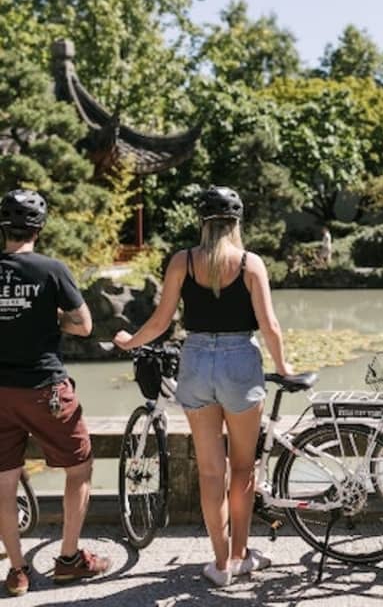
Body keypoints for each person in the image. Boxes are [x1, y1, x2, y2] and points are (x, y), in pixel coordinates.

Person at [113, 186, 293, 587]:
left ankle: (220, 564)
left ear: (202, 222)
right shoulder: (249, 263)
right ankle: (241, 555)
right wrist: (284, 367)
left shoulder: (183, 261)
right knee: (243, 469)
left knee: (212, 473)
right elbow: (270, 326)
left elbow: (160, 322)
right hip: (240, 363)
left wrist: (130, 341)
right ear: (237, 222)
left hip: (195, 362)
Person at [0, 189, 110, 597]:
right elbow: (83, 325)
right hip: (45, 388)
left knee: (3, 483)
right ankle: (68, 559)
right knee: (79, 468)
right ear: (39, 228)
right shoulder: (51, 269)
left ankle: (17, 571)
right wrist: (49, 317)